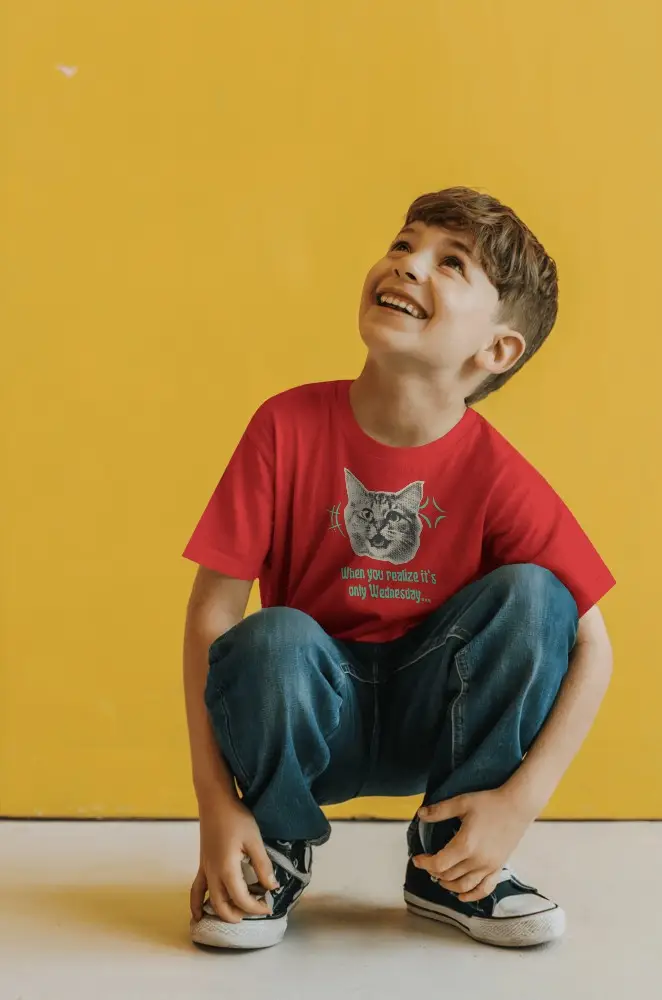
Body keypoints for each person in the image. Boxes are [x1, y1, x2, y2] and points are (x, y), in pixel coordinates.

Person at [182, 187, 616, 951]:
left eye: (449, 263)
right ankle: (273, 846)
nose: (407, 264)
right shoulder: (285, 426)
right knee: (272, 636)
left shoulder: (496, 472)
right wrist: (216, 806)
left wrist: (521, 802)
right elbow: (212, 620)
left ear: (498, 350)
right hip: (313, 713)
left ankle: (451, 867)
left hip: (433, 712)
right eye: (403, 243)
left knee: (536, 595)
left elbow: (594, 647)